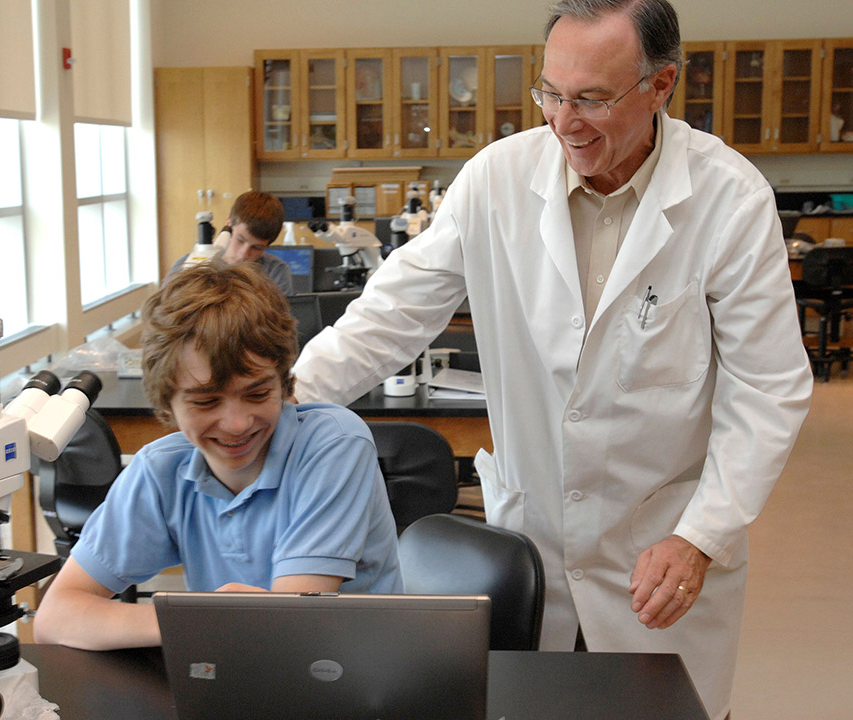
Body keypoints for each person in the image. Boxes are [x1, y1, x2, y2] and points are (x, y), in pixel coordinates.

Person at [291, 2, 812, 718]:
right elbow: (392, 314)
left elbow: (769, 387)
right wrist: (286, 399)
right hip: (531, 545)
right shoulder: (496, 180)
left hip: (661, 555)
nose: (565, 121)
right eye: (551, 92)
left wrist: (702, 534)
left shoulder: (729, 199)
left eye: (593, 99)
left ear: (661, 87)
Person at [34, 262, 403, 650]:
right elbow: (55, 617)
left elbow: (288, 628)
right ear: (167, 402)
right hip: (233, 668)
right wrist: (200, 617)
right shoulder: (161, 470)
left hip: (354, 675)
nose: (237, 423)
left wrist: (203, 619)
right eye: (207, 401)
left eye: (258, 394)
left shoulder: (333, 446)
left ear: (285, 383)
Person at [168, 190, 293, 294]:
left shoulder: (275, 272)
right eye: (240, 240)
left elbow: (282, 322)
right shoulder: (185, 266)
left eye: (256, 248)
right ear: (229, 223)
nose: (243, 255)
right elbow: (163, 316)